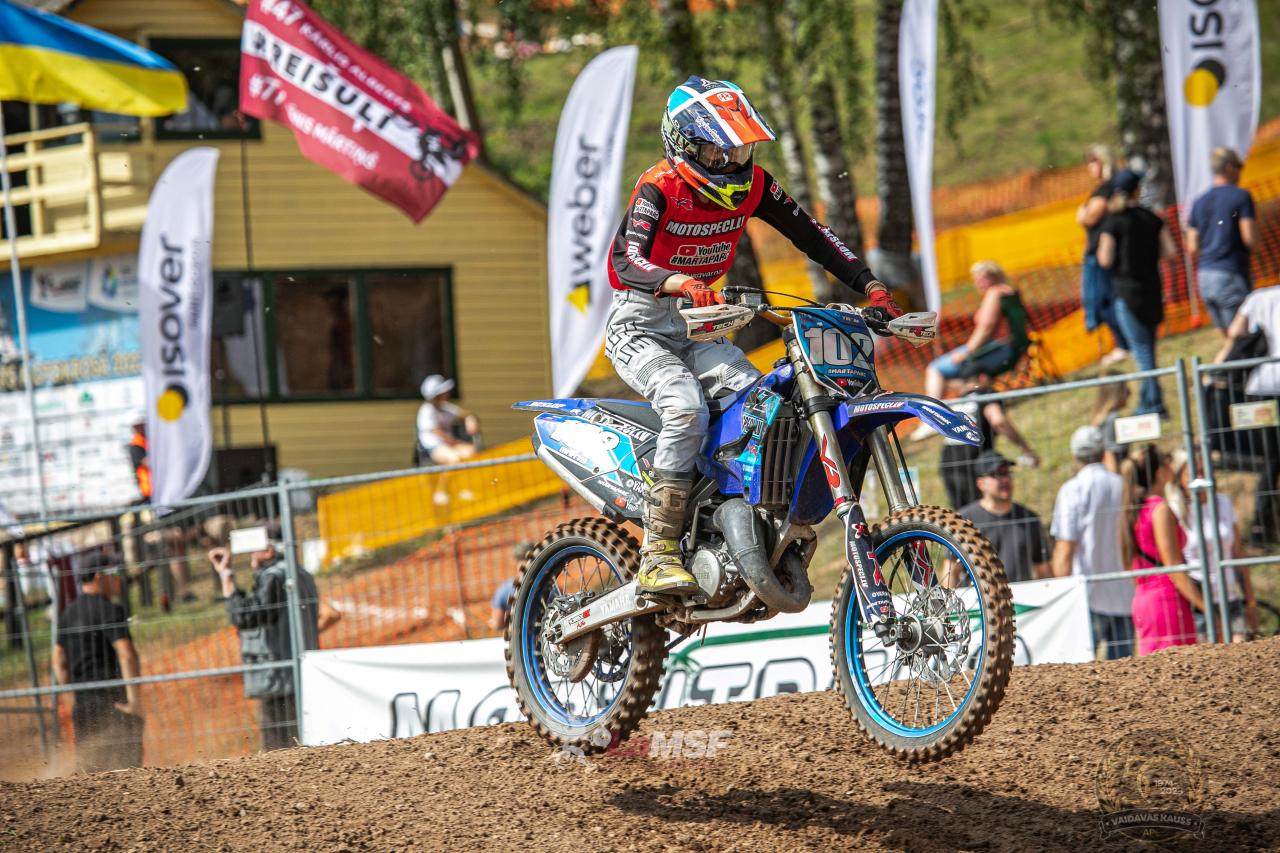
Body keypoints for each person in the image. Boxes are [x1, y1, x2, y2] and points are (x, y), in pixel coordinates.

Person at [605, 76, 901, 595]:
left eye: (740, 149)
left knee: (760, 405)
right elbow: (625, 260)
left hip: (701, 324)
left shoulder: (757, 185)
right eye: (719, 151)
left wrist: (868, 283)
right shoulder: (659, 186)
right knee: (685, 406)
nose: (731, 162)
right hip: (641, 324)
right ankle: (658, 551)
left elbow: (812, 234)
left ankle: (733, 522)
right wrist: (678, 282)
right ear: (685, 145)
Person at [212, 527, 341, 751]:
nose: (251, 555)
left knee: (278, 751)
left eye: (254, 550)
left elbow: (244, 617)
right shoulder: (300, 573)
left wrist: (226, 576)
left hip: (280, 677)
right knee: (301, 743)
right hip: (300, 672)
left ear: (269, 551)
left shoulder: (275, 577)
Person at [52, 552, 144, 772]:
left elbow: (59, 663)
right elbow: (127, 655)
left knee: (92, 774)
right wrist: (134, 701)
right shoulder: (110, 610)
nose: (119, 580)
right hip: (115, 705)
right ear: (99, 577)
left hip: (83, 707)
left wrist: (73, 702)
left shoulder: (67, 614)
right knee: (127, 772)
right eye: (115, 574)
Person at [1097, 169, 1178, 418]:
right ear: (1137, 190)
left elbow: (1104, 258)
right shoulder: (1151, 218)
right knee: (1148, 350)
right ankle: (1150, 401)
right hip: (1152, 291)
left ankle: (1153, 405)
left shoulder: (1114, 221)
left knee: (1142, 353)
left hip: (1127, 293)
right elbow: (1170, 252)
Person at [1051, 425, 1135, 659]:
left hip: (1087, 595)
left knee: (1080, 669)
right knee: (1124, 672)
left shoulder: (1072, 489)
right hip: (1124, 591)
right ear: (1102, 451)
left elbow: (1065, 548)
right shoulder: (1122, 485)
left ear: (1075, 455)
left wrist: (1061, 593)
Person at [1119, 444, 1205, 655]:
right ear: (1159, 472)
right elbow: (1174, 567)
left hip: (1144, 599)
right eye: (1167, 465)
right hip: (1166, 602)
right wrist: (1206, 608)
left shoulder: (1134, 510)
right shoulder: (1160, 510)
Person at [1166, 450, 1259, 642]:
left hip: (1230, 596)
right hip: (1198, 603)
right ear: (1180, 478)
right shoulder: (1174, 510)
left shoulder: (1223, 502)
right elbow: (1175, 564)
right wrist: (1206, 610)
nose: (1200, 477)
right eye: (1193, 473)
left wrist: (1250, 601)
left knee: (1239, 647)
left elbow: (1238, 553)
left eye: (1203, 471)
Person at [917, 261, 1031, 413]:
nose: (979, 283)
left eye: (983, 278)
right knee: (948, 376)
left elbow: (986, 328)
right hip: (1011, 347)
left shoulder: (994, 293)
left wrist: (967, 352)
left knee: (935, 369)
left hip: (996, 350)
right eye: (976, 279)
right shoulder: (1009, 292)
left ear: (994, 276)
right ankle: (960, 403)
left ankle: (932, 412)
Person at [1215, 285, 1280, 546]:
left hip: (1260, 387)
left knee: (1270, 460)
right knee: (1272, 461)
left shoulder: (1258, 297)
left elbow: (1234, 333)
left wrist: (1215, 369)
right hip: (1270, 386)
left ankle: (1260, 525)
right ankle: (1261, 525)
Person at [938, 379, 1039, 510]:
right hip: (974, 464)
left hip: (948, 464)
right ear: (983, 377)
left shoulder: (960, 400)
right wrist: (1025, 449)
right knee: (983, 511)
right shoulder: (986, 394)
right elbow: (998, 421)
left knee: (962, 515)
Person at [1187, 147, 1258, 332]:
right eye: (1238, 167)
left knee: (1230, 337)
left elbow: (1192, 246)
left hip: (1205, 277)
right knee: (1242, 338)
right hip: (1230, 275)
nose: (1240, 172)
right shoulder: (1241, 196)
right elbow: (1250, 238)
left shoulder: (1199, 202)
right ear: (1229, 168)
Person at [957, 452, 1050, 584]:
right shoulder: (964, 520)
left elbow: (1044, 571)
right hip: (979, 597)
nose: (1005, 479)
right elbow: (951, 571)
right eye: (997, 474)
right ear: (981, 483)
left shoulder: (1029, 518)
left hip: (1021, 596)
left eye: (1008, 473)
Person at [1077, 144, 1129, 366]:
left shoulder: (1106, 189)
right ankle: (1122, 343)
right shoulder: (1108, 188)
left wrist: (1082, 214)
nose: (1090, 167)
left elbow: (1089, 217)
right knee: (1106, 300)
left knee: (1105, 300)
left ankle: (1123, 345)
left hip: (1101, 254)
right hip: (1100, 252)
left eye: (1093, 161)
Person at [416, 374, 480, 466]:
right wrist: (456, 443)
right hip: (433, 448)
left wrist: (470, 418)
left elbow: (465, 414)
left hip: (449, 445)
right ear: (436, 395)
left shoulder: (445, 406)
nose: (447, 393)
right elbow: (438, 432)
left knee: (473, 453)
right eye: (443, 391)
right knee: (455, 459)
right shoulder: (427, 410)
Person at [489, 542, 534, 632]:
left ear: (516, 561)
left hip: (519, 637)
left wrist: (491, 623)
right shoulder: (551, 586)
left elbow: (498, 623)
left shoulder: (505, 589)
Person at [1091, 377, 1132, 473]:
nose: (1129, 393)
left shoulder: (1102, 416)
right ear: (1116, 394)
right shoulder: (1112, 418)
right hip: (1115, 470)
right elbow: (1109, 452)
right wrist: (1114, 479)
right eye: (1125, 389)